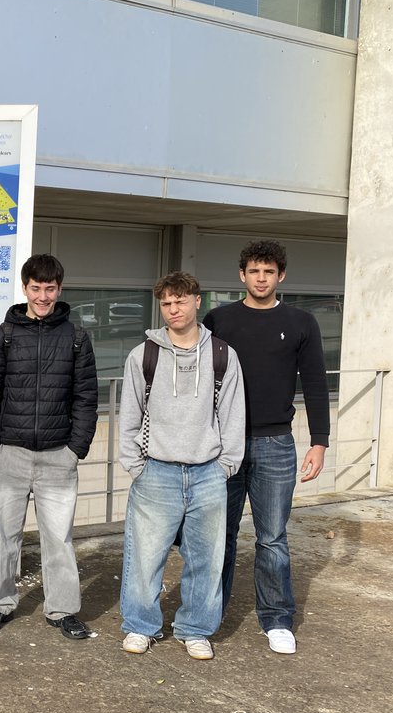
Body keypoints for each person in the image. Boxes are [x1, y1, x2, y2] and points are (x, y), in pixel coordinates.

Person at [203, 240, 330, 655]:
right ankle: (206, 615)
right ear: (242, 275)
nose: (261, 279)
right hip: (223, 444)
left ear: (281, 276)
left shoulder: (301, 322)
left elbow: (315, 383)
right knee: (217, 535)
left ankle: (277, 619)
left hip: (276, 443)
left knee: (272, 538)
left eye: (269, 272)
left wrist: (319, 442)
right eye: (254, 271)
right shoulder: (218, 319)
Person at [118, 272, 245, 660]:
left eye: (181, 301)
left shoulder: (222, 355)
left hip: (208, 473)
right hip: (156, 471)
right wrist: (135, 465)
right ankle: (140, 625)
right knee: (144, 558)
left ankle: (195, 629)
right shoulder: (144, 355)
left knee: (206, 560)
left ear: (197, 301)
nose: (173, 309)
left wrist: (225, 466)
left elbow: (232, 414)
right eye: (166, 303)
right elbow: (129, 415)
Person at [0, 254, 99, 640]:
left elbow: (86, 398)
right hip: (8, 454)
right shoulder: (2, 336)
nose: (43, 296)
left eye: (50, 288)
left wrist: (76, 448)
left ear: (59, 289)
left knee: (58, 539)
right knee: (2, 536)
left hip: (59, 455)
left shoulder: (76, 338)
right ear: (24, 288)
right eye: (36, 288)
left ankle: (63, 609)